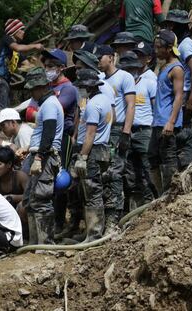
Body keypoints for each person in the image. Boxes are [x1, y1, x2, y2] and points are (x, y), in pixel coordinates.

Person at [22, 67, 64, 245]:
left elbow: (48, 133)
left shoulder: (50, 105)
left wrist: (39, 157)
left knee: (41, 199)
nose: (32, 93)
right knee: (31, 200)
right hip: (40, 154)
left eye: (33, 89)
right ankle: (34, 243)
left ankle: (45, 244)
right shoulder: (47, 104)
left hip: (45, 157)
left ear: (42, 87)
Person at [96, 45, 136, 227]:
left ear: (111, 57)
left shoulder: (124, 77)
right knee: (103, 172)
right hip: (102, 130)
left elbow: (131, 105)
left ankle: (115, 219)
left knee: (115, 172)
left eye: (100, 57)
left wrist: (126, 132)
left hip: (118, 129)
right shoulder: (99, 79)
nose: (98, 60)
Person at [73, 69, 112, 242]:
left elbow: (90, 134)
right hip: (102, 149)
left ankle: (94, 234)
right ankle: (90, 232)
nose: (80, 90)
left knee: (92, 194)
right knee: (92, 192)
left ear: (87, 86)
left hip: (92, 151)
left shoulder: (93, 105)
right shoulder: (105, 100)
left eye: (81, 86)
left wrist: (82, 157)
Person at [117, 51, 156, 209]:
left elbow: (156, 108)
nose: (129, 73)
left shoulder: (148, 83)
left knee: (148, 168)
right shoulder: (122, 88)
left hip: (145, 131)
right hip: (126, 132)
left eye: (131, 69)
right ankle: (136, 208)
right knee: (130, 172)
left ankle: (154, 201)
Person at [165, 9, 192, 170]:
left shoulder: (186, 45)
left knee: (183, 138)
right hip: (182, 95)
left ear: (173, 25)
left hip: (187, 96)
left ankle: (185, 175)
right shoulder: (179, 44)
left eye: (169, 25)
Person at [149, 30, 184, 194]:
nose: (156, 51)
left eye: (159, 48)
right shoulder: (164, 66)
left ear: (169, 48)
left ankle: (171, 194)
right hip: (158, 121)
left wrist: (171, 121)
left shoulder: (176, 69)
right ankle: (161, 194)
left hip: (167, 122)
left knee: (168, 159)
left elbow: (178, 96)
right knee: (153, 157)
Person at [0, 18, 44, 113]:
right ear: (14, 31)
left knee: (3, 108)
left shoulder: (17, 52)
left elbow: (27, 65)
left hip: (4, 82)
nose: (23, 32)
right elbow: (17, 47)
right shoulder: (7, 39)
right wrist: (34, 46)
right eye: (21, 30)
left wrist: (39, 65)